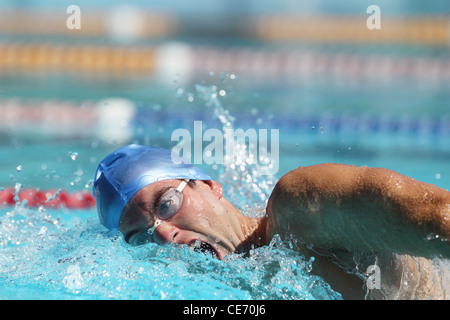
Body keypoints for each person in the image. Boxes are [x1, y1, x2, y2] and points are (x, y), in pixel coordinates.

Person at [94, 144, 450, 299]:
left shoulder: (300, 208)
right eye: (141, 238)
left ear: (209, 186)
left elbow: (440, 218)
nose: (165, 236)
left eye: (167, 204)